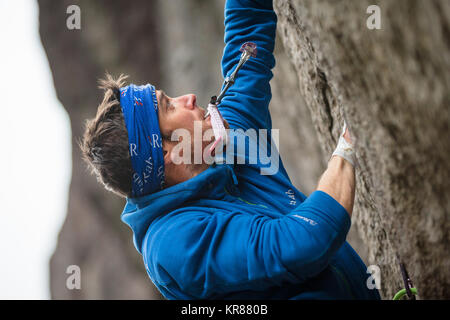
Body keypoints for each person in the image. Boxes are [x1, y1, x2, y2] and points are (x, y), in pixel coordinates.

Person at [80, 0, 380, 300]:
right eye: (169, 106)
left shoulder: (226, 143)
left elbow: (247, 36)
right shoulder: (175, 244)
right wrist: (349, 142)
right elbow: (303, 242)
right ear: (166, 152)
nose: (189, 97)